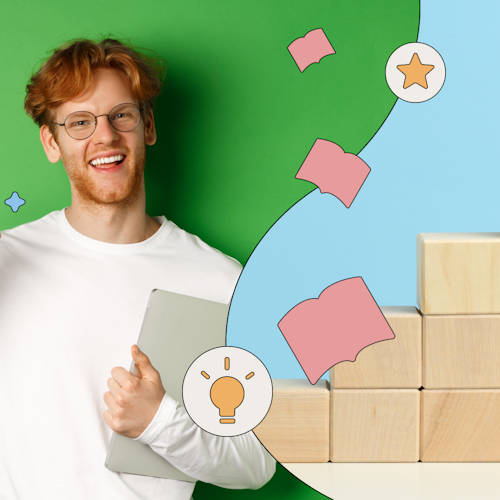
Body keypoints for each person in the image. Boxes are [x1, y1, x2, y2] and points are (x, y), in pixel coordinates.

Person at [0, 37, 275, 499]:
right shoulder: (8, 262)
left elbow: (257, 463)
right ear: (51, 141)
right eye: (79, 122)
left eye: (120, 115)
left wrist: (160, 422)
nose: (104, 136)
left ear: (147, 125)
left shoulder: (220, 282)